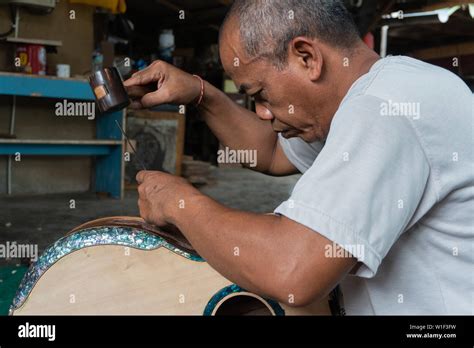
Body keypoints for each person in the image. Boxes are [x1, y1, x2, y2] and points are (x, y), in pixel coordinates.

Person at [124, 0, 473, 314]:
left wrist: (179, 202)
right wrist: (201, 94)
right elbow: (271, 151)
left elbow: (292, 271)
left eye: (260, 94)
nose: (262, 112)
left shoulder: (382, 109)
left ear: (306, 57)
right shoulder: (371, 94)